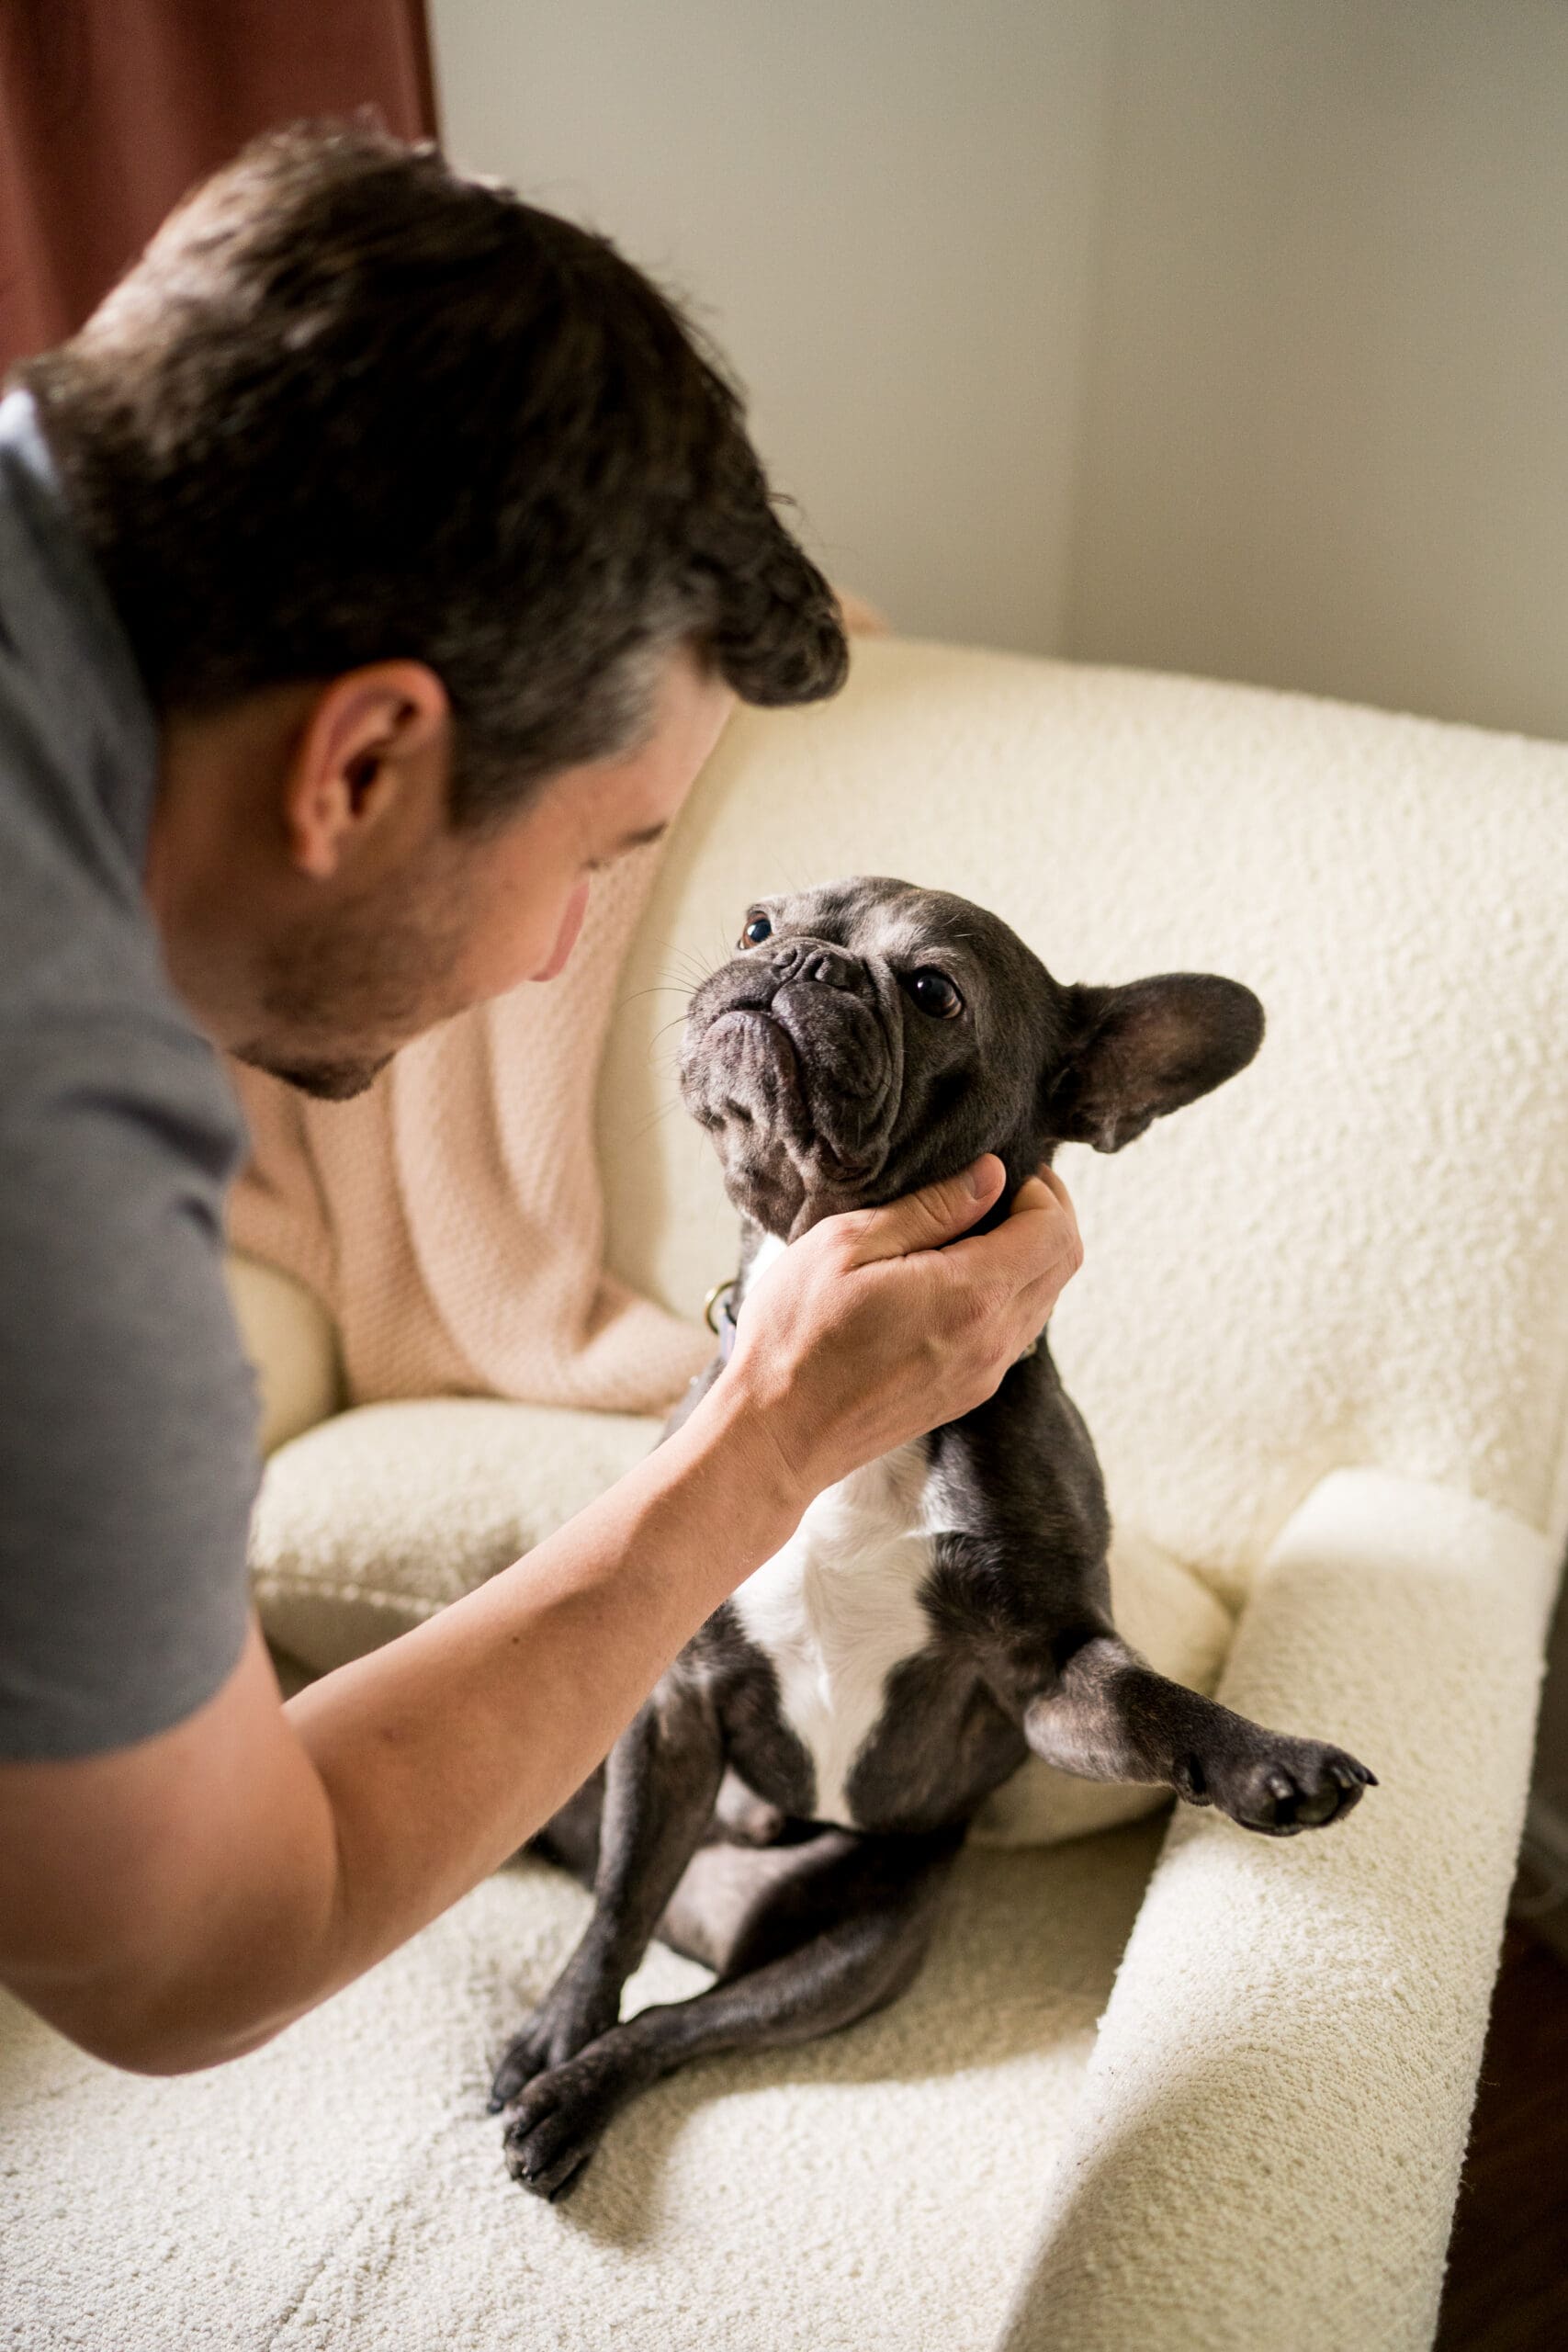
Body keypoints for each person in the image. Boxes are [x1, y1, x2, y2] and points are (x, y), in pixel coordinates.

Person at [0, 124, 1082, 2076]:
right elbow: (193, 1948)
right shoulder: (53, 1139)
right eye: (595, 853)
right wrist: (766, 1432)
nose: (554, 950)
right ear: (362, 766)